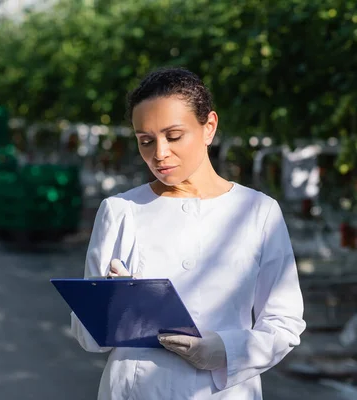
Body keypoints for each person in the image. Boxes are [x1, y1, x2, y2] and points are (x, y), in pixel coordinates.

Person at [70, 67, 306, 399]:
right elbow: (86, 336)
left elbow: (284, 323)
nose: (159, 153)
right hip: (136, 390)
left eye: (174, 135)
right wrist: (111, 305)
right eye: (146, 141)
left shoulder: (258, 212)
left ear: (209, 127)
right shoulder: (120, 210)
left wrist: (224, 350)